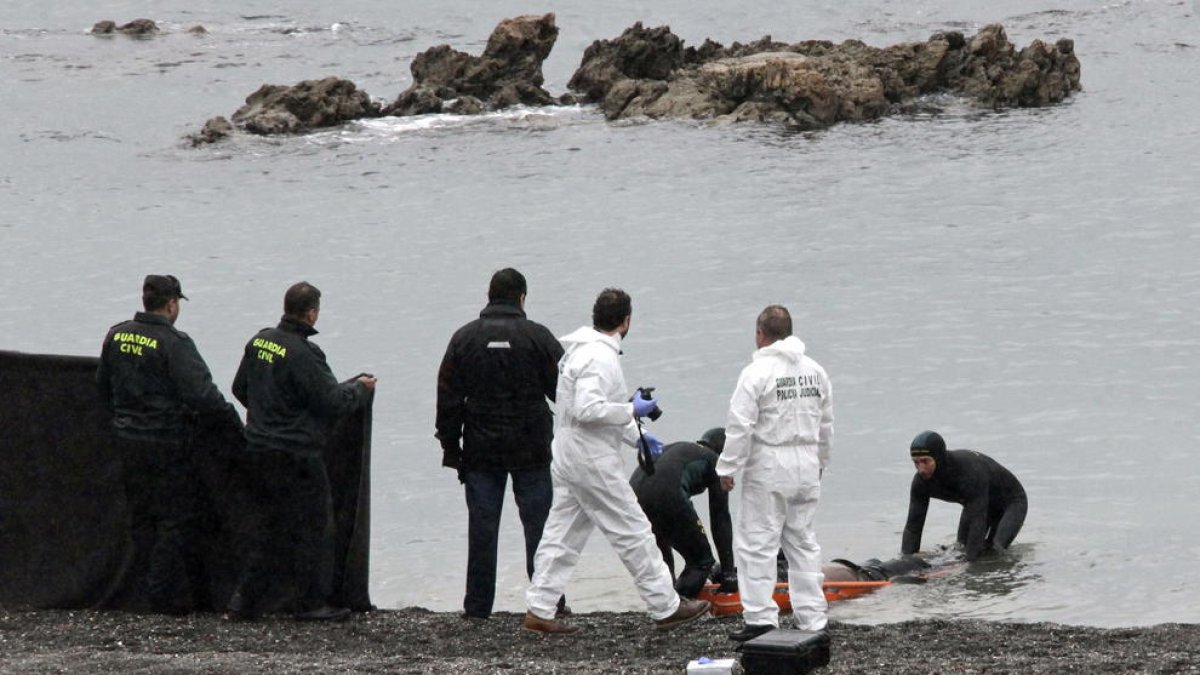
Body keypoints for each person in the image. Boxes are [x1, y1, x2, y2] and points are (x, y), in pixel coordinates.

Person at [523, 288, 710, 634]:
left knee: (562, 533)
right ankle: (665, 606)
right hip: (590, 460)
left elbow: (583, 411)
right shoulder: (600, 358)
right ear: (626, 321)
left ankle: (540, 607)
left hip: (567, 453)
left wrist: (636, 435)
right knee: (634, 530)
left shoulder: (581, 351)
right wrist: (631, 409)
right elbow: (588, 409)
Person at [226, 281, 377, 622]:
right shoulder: (304, 353)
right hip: (296, 455)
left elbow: (240, 388)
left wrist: (268, 413)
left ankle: (244, 603)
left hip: (258, 448)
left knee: (270, 526)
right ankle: (310, 602)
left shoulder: (259, 341)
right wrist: (360, 389)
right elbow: (331, 402)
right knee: (314, 526)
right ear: (311, 313)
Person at [96, 274, 243, 614]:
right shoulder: (174, 342)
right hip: (166, 442)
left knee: (142, 518)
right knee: (175, 520)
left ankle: (140, 590)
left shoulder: (116, 334)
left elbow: (102, 386)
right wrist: (235, 428)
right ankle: (162, 596)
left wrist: (122, 421)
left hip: (127, 440)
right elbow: (203, 395)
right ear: (172, 304)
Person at [436, 268, 565, 620]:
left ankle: (477, 608)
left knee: (482, 529)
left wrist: (451, 449)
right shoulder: (538, 337)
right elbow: (564, 395)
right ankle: (548, 604)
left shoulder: (463, 339)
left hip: (481, 450)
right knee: (540, 528)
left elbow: (447, 397)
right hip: (532, 449)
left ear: (490, 296)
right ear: (522, 297)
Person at [717, 304, 833, 642]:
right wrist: (822, 460)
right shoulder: (815, 371)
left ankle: (761, 618)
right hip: (807, 460)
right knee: (803, 541)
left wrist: (727, 467)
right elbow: (826, 422)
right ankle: (812, 616)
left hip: (770, 461)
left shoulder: (756, 373)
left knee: (757, 543)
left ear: (760, 334)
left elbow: (740, 425)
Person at [630, 428, 736, 599]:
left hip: (634, 496)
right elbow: (720, 519)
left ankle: (665, 602)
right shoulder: (717, 462)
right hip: (667, 494)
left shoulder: (683, 449)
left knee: (661, 559)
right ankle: (678, 605)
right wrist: (728, 574)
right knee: (701, 562)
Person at [902, 430, 1028, 561]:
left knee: (995, 549)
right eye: (916, 462)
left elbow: (977, 521)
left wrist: (967, 565)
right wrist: (906, 561)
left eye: (925, 461)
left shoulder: (968, 472)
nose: (921, 469)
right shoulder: (920, 483)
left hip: (1011, 503)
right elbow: (913, 528)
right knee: (960, 547)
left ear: (939, 458)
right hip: (975, 502)